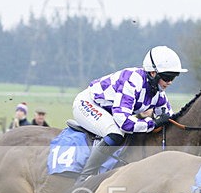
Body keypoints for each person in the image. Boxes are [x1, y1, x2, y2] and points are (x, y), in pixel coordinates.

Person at [70, 45, 185, 181]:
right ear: (153, 73)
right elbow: (124, 123)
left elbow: (169, 118)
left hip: (109, 111)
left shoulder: (158, 93)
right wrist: (152, 123)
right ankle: (84, 177)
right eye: (167, 77)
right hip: (88, 103)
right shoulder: (132, 81)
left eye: (173, 77)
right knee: (116, 134)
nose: (170, 82)